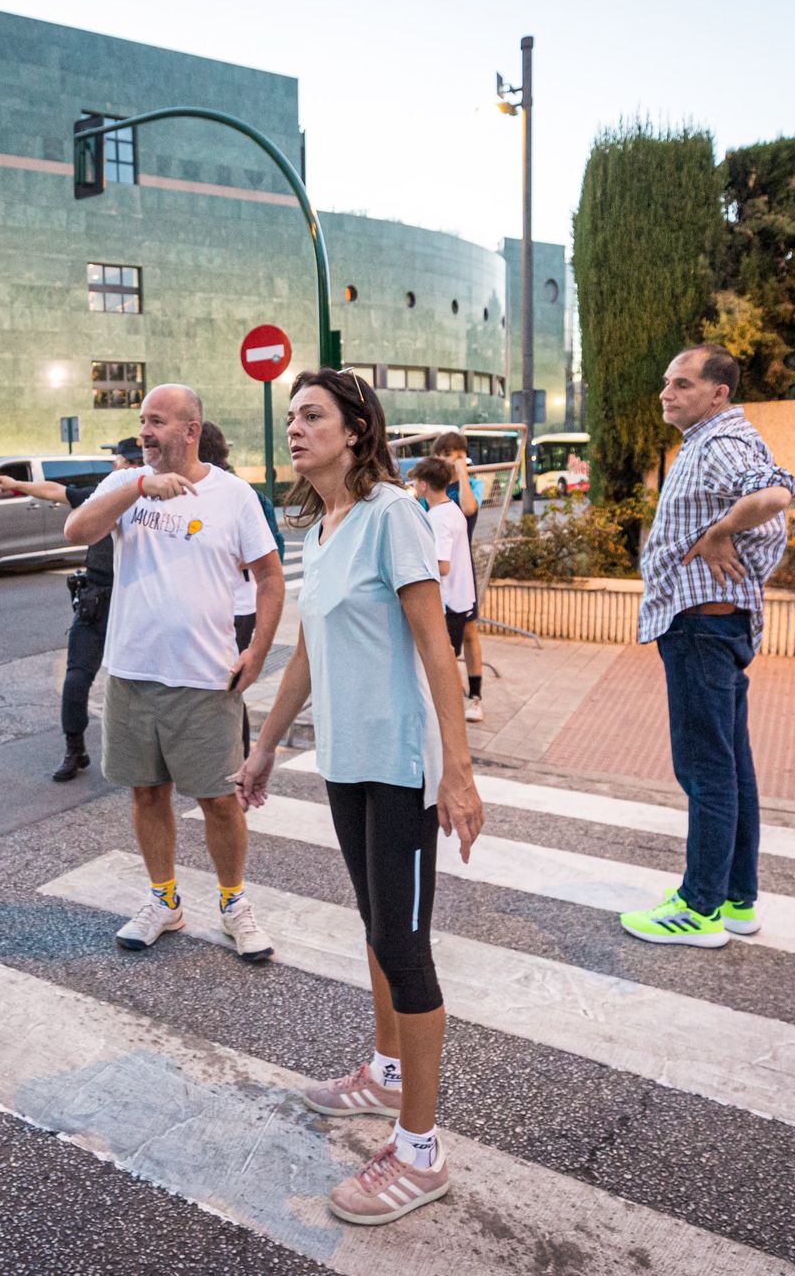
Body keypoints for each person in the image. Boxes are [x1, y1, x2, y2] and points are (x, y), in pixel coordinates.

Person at [238, 369, 484, 1226]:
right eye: (293, 417)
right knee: (375, 924)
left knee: (404, 946)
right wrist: (266, 744)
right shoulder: (326, 524)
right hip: (347, 762)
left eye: (313, 416)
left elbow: (437, 646)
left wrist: (458, 768)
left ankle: (422, 1151)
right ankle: (386, 1071)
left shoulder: (392, 516)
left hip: (401, 766)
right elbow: (308, 650)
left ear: (355, 430)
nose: (296, 428)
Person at [62, 385, 284, 962]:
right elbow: (76, 533)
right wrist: (139, 485)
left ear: (190, 430)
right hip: (133, 675)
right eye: (142, 421)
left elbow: (269, 577)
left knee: (219, 800)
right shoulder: (125, 485)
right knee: (146, 793)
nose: (145, 432)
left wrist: (257, 652)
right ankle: (164, 900)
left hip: (206, 678)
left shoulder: (234, 496)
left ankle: (234, 904)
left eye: (157, 422)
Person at [619, 345, 794, 950]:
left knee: (706, 770)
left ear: (717, 393)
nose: (666, 393)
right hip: (715, 627)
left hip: (701, 628)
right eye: (666, 382)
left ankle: (699, 909)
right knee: (731, 767)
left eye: (683, 384)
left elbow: (774, 496)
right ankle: (735, 898)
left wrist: (721, 531)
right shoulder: (711, 440)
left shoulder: (720, 443)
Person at [0, 437, 143, 781]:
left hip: (135, 602)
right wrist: (17, 484)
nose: (114, 467)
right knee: (76, 678)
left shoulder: (159, 498)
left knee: (138, 683)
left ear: (131, 463)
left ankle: (144, 755)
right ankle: (75, 749)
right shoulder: (103, 495)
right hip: (97, 599)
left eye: (118, 461)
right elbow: (54, 491)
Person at [429, 433, 485, 721]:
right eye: (445, 453)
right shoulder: (428, 489)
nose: (450, 458)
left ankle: (476, 697)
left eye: (456, 453)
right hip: (434, 573)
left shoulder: (472, 486)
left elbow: (469, 510)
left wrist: (462, 475)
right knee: (439, 637)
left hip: (461, 571)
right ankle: (449, 687)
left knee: (469, 632)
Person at [196, 422, 260, 655]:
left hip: (237, 605)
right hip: (207, 608)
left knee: (222, 680)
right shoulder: (190, 490)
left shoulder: (239, 492)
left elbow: (264, 553)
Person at [411, 457, 476, 667]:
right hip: (458, 599)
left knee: (442, 665)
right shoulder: (452, 510)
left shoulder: (438, 518)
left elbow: (442, 566)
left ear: (423, 485)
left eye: (415, 482)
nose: (413, 486)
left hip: (447, 603)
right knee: (449, 662)